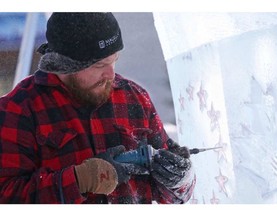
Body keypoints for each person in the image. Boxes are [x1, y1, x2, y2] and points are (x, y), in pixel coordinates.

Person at [0, 12, 195, 204]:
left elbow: (173, 196)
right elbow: (6, 196)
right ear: (66, 65)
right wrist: (80, 180)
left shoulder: (134, 97)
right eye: (99, 65)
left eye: (114, 61)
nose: (110, 74)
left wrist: (180, 181)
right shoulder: (18, 109)